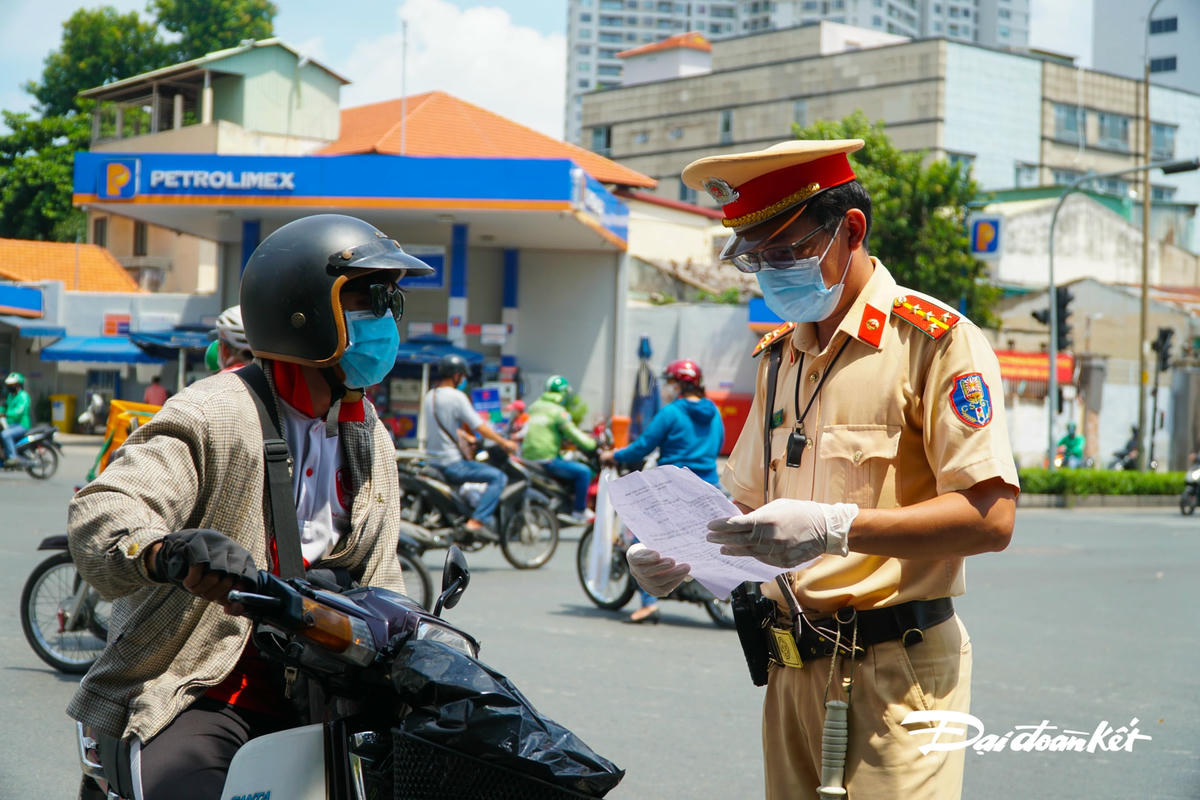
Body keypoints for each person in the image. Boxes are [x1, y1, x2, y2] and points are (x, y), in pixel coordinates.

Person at [627, 139, 1018, 800]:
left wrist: (839, 527)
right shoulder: (779, 356)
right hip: (790, 664)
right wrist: (681, 555)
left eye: (786, 252)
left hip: (897, 670)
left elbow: (992, 517)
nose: (773, 273)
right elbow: (746, 513)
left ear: (851, 229)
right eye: (758, 259)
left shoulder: (936, 341)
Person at [66, 213, 435, 800]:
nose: (386, 318)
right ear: (304, 312)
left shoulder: (370, 437)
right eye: (367, 299)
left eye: (391, 300)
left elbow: (381, 582)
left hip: (326, 692)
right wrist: (165, 551)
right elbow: (108, 508)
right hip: (201, 686)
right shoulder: (213, 413)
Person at [601, 359, 725, 623]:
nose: (667, 388)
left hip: (674, 488)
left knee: (643, 539)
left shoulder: (672, 412)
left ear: (679, 384)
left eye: (669, 382)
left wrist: (615, 455)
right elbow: (720, 443)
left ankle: (648, 602)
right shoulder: (714, 412)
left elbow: (644, 445)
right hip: (711, 488)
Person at [422, 353, 518, 537]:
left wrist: (464, 435)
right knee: (498, 477)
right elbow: (479, 426)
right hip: (451, 464)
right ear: (456, 375)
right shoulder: (457, 397)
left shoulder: (430, 395)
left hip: (432, 462)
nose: (464, 379)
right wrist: (504, 442)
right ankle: (477, 521)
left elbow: (442, 426)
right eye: (462, 375)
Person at [521, 375, 598, 523]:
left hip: (528, 458)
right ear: (563, 393)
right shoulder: (558, 412)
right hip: (547, 460)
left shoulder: (533, 407)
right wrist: (592, 444)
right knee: (584, 472)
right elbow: (574, 434)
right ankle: (579, 510)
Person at [2, 372, 32, 467]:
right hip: (11, 424)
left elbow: (20, 410)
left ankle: (12, 457)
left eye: (12, 385)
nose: (10, 387)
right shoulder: (10, 396)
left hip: (21, 425)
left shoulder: (23, 396)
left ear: (18, 385)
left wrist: (6, 414)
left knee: (5, 434)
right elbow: (4, 407)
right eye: (9, 385)